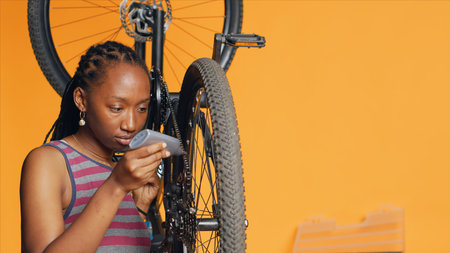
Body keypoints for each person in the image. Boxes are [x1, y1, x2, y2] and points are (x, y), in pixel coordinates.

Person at [20, 41, 169, 252]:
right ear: (81, 100)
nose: (131, 124)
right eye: (117, 108)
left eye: (142, 108)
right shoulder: (50, 162)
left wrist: (140, 207)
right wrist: (116, 185)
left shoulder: (125, 171)